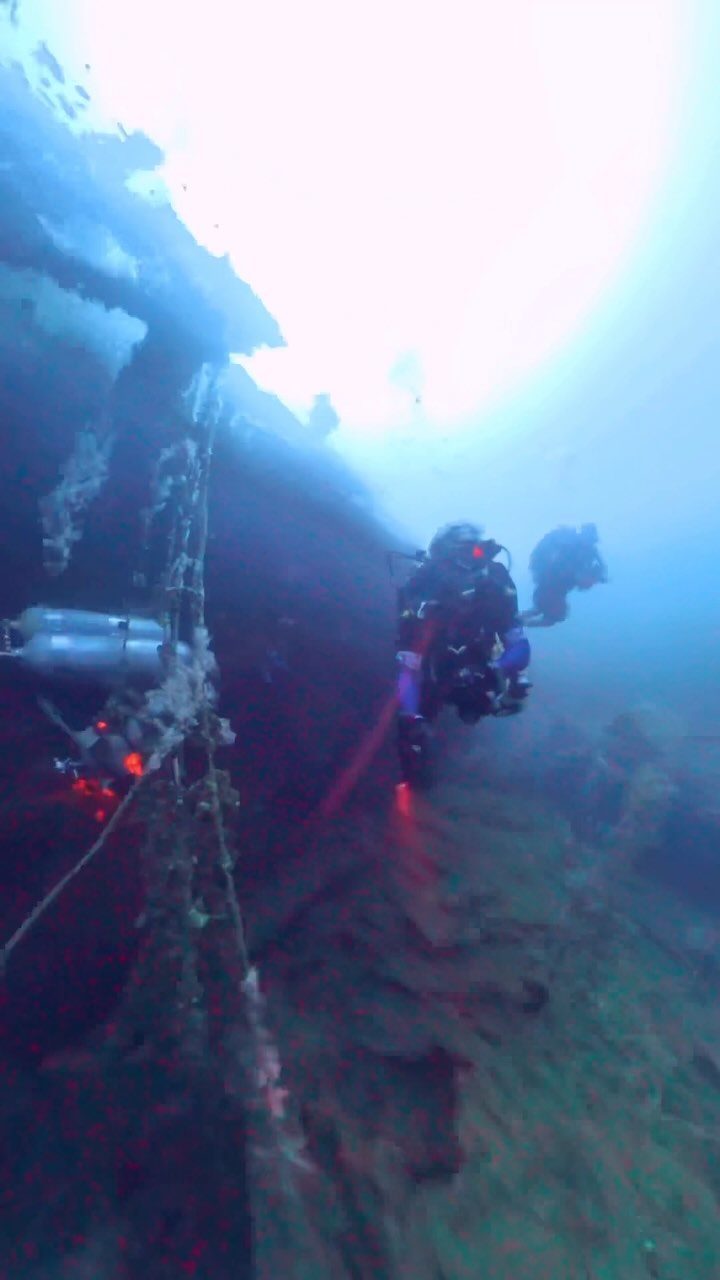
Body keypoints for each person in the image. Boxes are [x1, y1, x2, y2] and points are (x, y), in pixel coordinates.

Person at [396, 522, 531, 729]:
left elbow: (514, 634)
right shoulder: (431, 572)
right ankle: (417, 725)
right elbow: (408, 620)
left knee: (463, 698)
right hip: (438, 649)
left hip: (473, 654)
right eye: (461, 552)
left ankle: (418, 722)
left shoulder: (494, 577)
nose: (465, 562)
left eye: (472, 551)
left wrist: (508, 671)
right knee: (425, 699)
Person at [523, 523, 607, 628]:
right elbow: (557, 565)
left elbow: (601, 567)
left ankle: (519, 622)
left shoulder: (589, 550)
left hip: (559, 586)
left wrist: (597, 576)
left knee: (546, 613)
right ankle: (518, 623)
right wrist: (577, 575)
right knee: (548, 614)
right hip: (550, 581)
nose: (590, 544)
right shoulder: (566, 544)